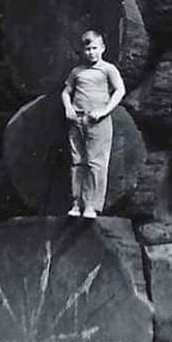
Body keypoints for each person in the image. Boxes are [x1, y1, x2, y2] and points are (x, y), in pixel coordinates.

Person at [61, 29, 125, 219]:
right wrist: (68, 108)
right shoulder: (77, 71)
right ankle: (76, 203)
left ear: (102, 48)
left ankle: (91, 205)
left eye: (95, 48)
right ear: (83, 50)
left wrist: (104, 111)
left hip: (97, 120)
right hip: (77, 120)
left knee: (95, 163)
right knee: (77, 161)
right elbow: (66, 92)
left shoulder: (108, 69)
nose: (91, 52)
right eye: (88, 49)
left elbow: (120, 90)